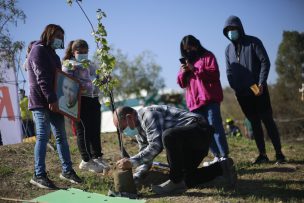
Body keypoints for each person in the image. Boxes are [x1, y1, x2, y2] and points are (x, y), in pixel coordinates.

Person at [113, 105, 237, 195]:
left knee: (168, 135)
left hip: (198, 131)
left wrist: (132, 161)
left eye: (122, 128)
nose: (124, 132)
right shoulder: (139, 132)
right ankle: (222, 168)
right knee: (186, 178)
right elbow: (147, 157)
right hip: (187, 145)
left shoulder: (148, 114)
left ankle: (175, 180)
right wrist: (135, 179)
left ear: (129, 117)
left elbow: (156, 146)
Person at [223, 15, 286, 164]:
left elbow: (265, 62)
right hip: (242, 94)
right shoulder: (228, 50)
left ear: (239, 28)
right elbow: (229, 72)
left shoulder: (253, 42)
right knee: (254, 123)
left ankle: (279, 154)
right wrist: (236, 87)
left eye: (233, 29)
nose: (231, 32)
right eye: (228, 30)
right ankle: (262, 154)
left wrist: (261, 83)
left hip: (258, 90)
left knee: (268, 121)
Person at [27, 24, 82, 189]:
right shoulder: (38, 50)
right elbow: (41, 77)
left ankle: (67, 171)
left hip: (55, 102)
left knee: (61, 137)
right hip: (41, 102)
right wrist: (51, 98)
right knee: (43, 136)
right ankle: (39, 174)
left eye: (62, 37)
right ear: (48, 34)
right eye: (57, 35)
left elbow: (60, 81)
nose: (60, 39)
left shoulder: (54, 56)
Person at [177, 35, 229, 166]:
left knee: (215, 126)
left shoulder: (208, 56)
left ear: (196, 44)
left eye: (190, 47)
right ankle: (216, 156)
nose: (189, 51)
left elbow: (214, 74)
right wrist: (184, 72)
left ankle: (224, 156)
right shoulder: (186, 62)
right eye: (186, 49)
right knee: (204, 132)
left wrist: (195, 69)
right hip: (194, 103)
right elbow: (181, 83)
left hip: (210, 99)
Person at [62, 39, 109, 173]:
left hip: (94, 99)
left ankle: (97, 157)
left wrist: (104, 78)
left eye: (85, 52)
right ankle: (86, 160)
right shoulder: (69, 64)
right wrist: (79, 86)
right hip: (80, 100)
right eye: (79, 52)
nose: (83, 54)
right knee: (83, 130)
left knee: (94, 129)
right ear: (73, 52)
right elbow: (66, 82)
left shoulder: (91, 64)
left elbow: (98, 77)